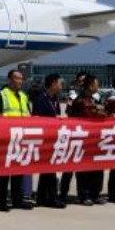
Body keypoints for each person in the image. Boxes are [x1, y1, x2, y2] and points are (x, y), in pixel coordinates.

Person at [0, 69, 36, 211]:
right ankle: (1, 201)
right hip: (7, 138)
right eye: (16, 78)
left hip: (21, 138)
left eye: (21, 79)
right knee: (4, 173)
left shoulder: (23, 95)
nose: (19, 81)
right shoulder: (2, 95)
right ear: (9, 80)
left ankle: (17, 200)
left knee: (18, 171)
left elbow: (27, 114)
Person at [67, 75, 108, 204]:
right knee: (84, 168)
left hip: (96, 138)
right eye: (97, 84)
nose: (98, 87)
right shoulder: (80, 101)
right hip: (84, 139)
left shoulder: (94, 99)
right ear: (90, 86)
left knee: (97, 166)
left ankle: (95, 193)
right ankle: (85, 195)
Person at [31, 73, 69, 208]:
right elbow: (36, 118)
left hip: (54, 139)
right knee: (49, 170)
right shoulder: (41, 98)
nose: (61, 86)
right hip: (44, 139)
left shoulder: (54, 99)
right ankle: (51, 198)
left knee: (49, 169)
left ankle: (42, 197)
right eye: (60, 83)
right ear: (53, 84)